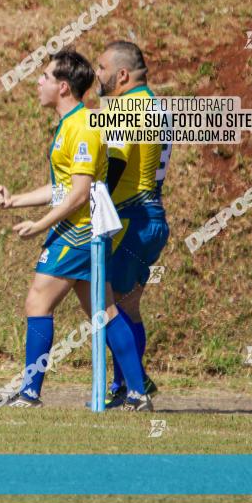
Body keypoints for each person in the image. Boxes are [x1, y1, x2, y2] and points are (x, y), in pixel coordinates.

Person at [0, 50, 152, 411]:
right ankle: (138, 394)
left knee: (38, 300)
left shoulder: (81, 127)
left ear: (63, 87)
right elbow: (63, 187)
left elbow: (80, 193)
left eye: (45, 77)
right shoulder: (71, 124)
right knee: (105, 312)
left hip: (78, 231)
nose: (38, 82)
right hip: (81, 231)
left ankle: (30, 392)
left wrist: (40, 225)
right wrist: (14, 200)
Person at [95, 41, 171, 407]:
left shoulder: (125, 106)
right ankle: (127, 383)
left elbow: (117, 161)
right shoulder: (154, 104)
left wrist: (94, 203)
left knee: (107, 304)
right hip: (154, 217)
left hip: (130, 219)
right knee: (130, 307)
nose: (97, 74)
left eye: (101, 67)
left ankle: (133, 389)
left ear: (121, 75)